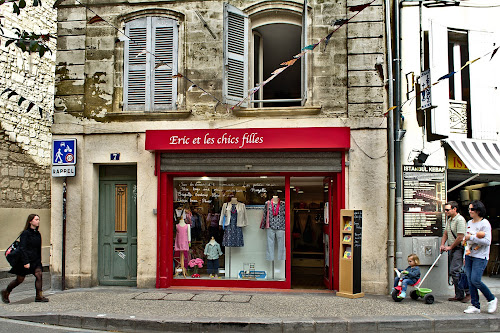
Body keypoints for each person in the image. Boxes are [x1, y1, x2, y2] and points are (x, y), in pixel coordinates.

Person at [1, 214, 49, 303]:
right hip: (24, 260)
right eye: (36, 219)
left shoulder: (37, 234)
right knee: (19, 279)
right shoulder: (25, 233)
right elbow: (22, 248)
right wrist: (26, 262)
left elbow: (38, 249)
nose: (38, 221)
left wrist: (39, 261)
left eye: (38, 219)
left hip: (35, 260)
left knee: (39, 274)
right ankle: (6, 291)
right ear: (30, 221)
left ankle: (39, 296)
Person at [463, 200, 497, 314]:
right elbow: (466, 240)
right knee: (470, 280)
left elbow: (487, 241)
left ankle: (491, 299)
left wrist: (471, 238)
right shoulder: (469, 223)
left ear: (478, 210)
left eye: (472, 209)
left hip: (480, 257)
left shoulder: (485, 223)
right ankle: (475, 305)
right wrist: (465, 253)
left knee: (475, 280)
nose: (470, 211)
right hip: (469, 255)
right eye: (469, 209)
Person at [440, 201, 469, 302]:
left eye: (447, 210)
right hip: (452, 248)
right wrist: (442, 244)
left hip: (458, 248)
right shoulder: (450, 220)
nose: (446, 211)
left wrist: (450, 247)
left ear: (454, 209)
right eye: (445, 210)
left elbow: (460, 237)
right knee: (455, 271)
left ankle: (467, 292)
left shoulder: (460, 220)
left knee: (455, 271)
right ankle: (459, 294)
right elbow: (445, 233)